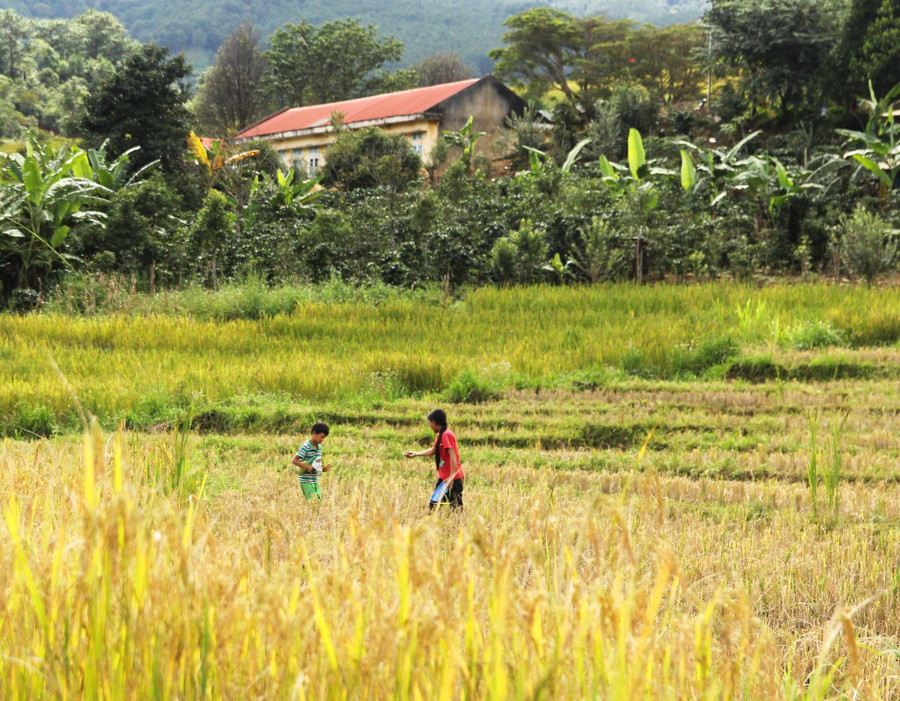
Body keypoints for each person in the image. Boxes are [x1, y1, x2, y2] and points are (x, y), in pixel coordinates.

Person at [405, 408, 464, 510]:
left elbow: (453, 456)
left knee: (455, 508)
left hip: (453, 478)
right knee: (434, 506)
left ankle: (458, 525)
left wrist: (451, 478)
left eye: (430, 423)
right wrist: (416, 454)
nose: (430, 425)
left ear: (434, 422)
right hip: (444, 478)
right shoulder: (440, 435)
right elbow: (433, 450)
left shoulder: (446, 435)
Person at [292, 422, 332, 500]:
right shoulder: (306, 446)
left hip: (314, 479)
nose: (322, 439)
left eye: (324, 438)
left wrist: (323, 469)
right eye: (321, 437)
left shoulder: (319, 447)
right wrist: (307, 467)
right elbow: (294, 460)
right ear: (314, 433)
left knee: (319, 499)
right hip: (306, 479)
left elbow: (317, 463)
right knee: (313, 501)